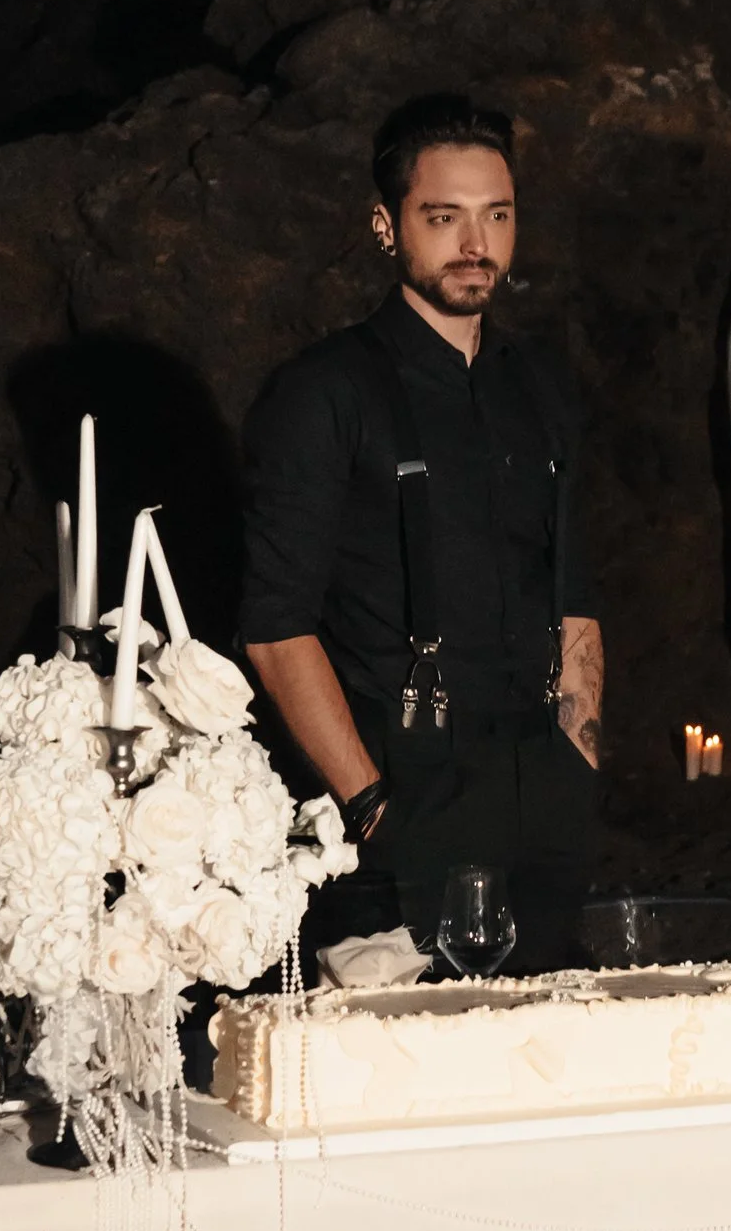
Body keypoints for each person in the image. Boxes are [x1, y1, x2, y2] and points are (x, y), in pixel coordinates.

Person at [237, 90, 601, 970]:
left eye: (496, 216)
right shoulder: (325, 392)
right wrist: (371, 806)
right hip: (404, 794)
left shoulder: (543, 389)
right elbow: (275, 630)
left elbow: (577, 601)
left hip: (545, 797)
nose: (475, 245)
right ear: (386, 225)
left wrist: (581, 767)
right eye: (444, 217)